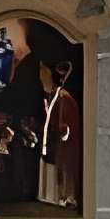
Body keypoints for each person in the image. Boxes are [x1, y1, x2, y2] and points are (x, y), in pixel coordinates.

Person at [36, 58, 81, 210]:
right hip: (51, 139)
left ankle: (66, 197)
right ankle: (53, 196)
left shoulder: (63, 96)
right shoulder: (50, 95)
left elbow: (67, 118)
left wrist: (63, 131)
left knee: (64, 166)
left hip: (63, 140)